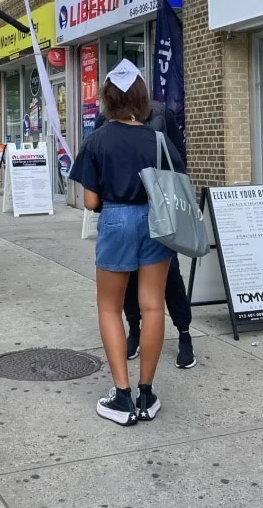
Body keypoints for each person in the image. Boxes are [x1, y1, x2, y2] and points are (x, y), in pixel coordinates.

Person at [69, 60, 186, 426]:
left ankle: (121, 397)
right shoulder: (158, 138)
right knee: (153, 307)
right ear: (140, 97)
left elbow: (90, 202)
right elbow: (175, 182)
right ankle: (147, 394)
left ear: (107, 98)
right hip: (156, 220)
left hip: (117, 218)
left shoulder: (97, 139)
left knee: (110, 307)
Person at [94, 100, 196, 369]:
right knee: (126, 282)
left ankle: (184, 333)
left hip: (158, 213)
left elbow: (178, 160)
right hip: (123, 211)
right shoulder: (105, 119)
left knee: (170, 279)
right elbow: (98, 166)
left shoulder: (160, 114)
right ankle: (135, 331)